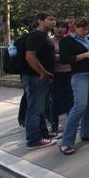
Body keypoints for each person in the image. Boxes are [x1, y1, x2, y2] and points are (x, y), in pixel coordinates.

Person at [58, 17, 89, 155]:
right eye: (82, 27)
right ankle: (66, 141)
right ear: (75, 27)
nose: (85, 30)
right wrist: (84, 55)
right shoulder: (67, 41)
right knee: (79, 106)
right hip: (79, 75)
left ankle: (87, 132)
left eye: (87, 27)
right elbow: (64, 59)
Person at [22, 11, 58, 149]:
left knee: (41, 107)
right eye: (50, 19)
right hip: (35, 77)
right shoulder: (35, 36)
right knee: (35, 108)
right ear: (40, 21)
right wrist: (42, 73)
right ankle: (33, 139)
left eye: (54, 19)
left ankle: (43, 133)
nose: (54, 22)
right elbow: (30, 57)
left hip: (43, 77)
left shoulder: (44, 36)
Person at [49, 20, 73, 134]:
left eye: (63, 27)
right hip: (55, 74)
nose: (60, 29)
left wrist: (60, 56)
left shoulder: (69, 40)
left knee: (70, 99)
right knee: (55, 100)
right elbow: (49, 56)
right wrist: (63, 56)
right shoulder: (49, 41)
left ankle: (71, 123)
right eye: (58, 27)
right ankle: (54, 125)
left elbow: (72, 56)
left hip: (69, 72)